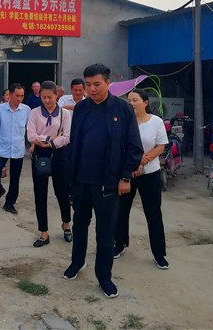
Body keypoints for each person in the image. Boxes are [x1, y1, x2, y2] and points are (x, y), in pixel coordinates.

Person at [63, 64, 143, 299]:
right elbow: (75, 143)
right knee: (79, 225)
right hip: (81, 181)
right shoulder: (81, 108)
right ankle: (77, 262)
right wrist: (71, 177)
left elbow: (134, 146)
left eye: (97, 84)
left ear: (108, 83)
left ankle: (104, 276)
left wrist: (125, 177)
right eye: (88, 85)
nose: (92, 89)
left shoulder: (123, 109)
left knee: (105, 233)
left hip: (108, 183)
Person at [114, 89, 169, 269]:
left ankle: (159, 254)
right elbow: (119, 147)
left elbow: (160, 147)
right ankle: (119, 243)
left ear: (145, 103)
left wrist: (141, 160)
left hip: (150, 174)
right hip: (127, 174)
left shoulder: (156, 122)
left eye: (135, 100)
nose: (131, 103)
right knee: (121, 211)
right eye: (129, 100)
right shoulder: (122, 122)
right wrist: (132, 165)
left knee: (153, 213)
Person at [26, 81, 72, 247]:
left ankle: (66, 224)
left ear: (56, 95)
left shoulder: (64, 114)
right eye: (43, 97)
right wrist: (50, 138)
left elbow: (67, 137)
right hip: (40, 154)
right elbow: (31, 135)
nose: (46, 100)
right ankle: (43, 233)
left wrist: (51, 143)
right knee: (40, 194)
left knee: (62, 192)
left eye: (49, 97)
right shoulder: (35, 113)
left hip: (59, 154)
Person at [0, 83, 31, 214]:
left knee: (15, 178)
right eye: (17, 95)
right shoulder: (0, 109)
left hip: (18, 148)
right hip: (2, 147)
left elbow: (30, 128)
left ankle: (9, 203)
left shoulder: (26, 110)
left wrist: (32, 143)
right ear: (10, 95)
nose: (19, 98)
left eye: (22, 96)